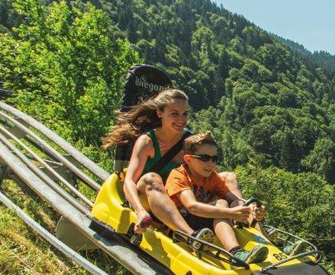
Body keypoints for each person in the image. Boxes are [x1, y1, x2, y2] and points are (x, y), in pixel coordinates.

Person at [101, 89, 244, 237]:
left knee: (228, 177)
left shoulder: (189, 141)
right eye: (175, 113)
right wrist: (140, 211)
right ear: (160, 113)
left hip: (181, 199)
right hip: (150, 198)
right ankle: (190, 235)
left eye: (185, 114)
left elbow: (209, 171)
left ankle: (248, 222)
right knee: (151, 178)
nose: (181, 119)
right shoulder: (147, 142)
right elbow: (130, 180)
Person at [165, 131, 268, 263]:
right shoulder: (178, 176)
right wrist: (229, 212)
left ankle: (268, 243)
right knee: (221, 204)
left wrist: (252, 209)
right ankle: (236, 253)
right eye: (204, 158)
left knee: (237, 204)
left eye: (214, 159)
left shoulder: (212, 177)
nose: (211, 163)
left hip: (205, 219)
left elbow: (233, 199)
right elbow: (192, 207)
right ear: (188, 159)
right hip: (185, 224)